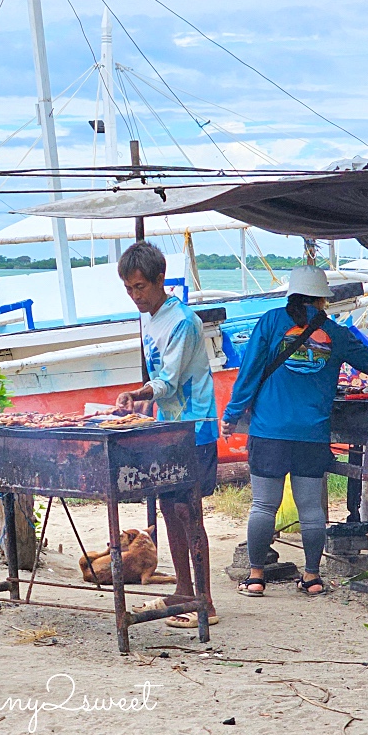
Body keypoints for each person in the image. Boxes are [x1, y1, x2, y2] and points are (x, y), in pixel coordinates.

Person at [221, 265, 368, 597]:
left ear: (292, 294)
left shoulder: (272, 321)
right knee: (311, 509)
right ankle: (312, 578)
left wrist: (231, 414)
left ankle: (256, 578)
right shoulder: (336, 332)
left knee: (263, 506)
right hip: (312, 435)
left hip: (269, 431)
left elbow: (250, 370)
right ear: (322, 299)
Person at [114, 241, 219, 627]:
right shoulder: (150, 317)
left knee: (189, 513)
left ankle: (204, 601)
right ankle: (184, 590)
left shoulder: (183, 322)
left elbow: (169, 382)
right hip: (169, 426)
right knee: (168, 509)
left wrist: (139, 392)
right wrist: (144, 401)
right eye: (128, 289)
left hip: (196, 425)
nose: (135, 296)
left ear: (160, 280)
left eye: (139, 287)